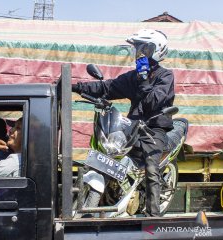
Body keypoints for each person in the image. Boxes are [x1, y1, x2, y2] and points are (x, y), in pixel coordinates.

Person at [72, 29, 174, 217]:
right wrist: (76, 87)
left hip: (154, 128)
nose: (140, 54)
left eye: (145, 49)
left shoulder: (165, 76)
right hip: (133, 126)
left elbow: (153, 101)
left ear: (157, 50)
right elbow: (107, 87)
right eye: (138, 49)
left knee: (152, 168)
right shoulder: (133, 77)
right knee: (107, 152)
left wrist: (144, 81)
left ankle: (154, 215)